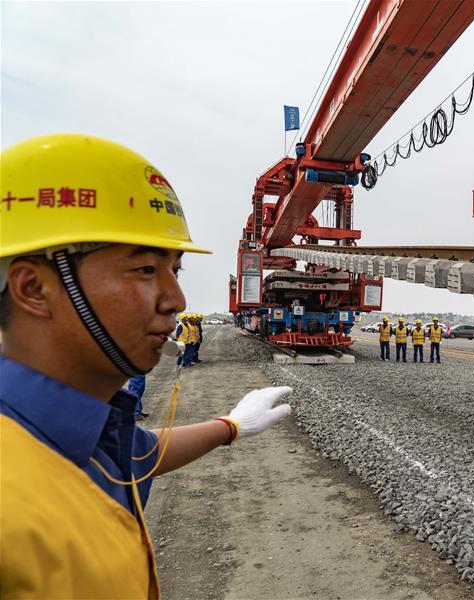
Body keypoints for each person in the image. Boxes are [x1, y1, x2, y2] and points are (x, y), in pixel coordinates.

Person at [0, 133, 293, 598]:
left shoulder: (70, 429)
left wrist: (231, 426)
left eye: (174, 271)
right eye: (144, 270)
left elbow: (136, 453)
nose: (175, 299)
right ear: (34, 288)